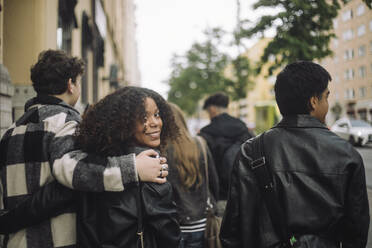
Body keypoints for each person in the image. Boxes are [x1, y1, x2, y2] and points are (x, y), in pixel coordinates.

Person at [0, 50, 168, 247]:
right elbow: (74, 170)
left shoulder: (11, 130)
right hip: (56, 240)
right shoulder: (65, 120)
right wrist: (133, 168)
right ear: (71, 84)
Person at [220, 61, 370, 248]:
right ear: (314, 102)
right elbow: (357, 231)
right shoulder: (347, 155)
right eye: (326, 97)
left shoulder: (251, 151)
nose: (327, 104)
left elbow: (233, 228)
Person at [75, 86, 180, 247]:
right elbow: (169, 235)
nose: (155, 123)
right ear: (123, 123)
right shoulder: (151, 166)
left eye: (157, 115)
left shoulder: (93, 165)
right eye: (144, 118)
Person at [166, 103, 219, 248]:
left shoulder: (159, 150)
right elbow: (214, 183)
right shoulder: (200, 144)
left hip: (173, 226)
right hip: (202, 223)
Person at [199, 92, 253, 216]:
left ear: (212, 109)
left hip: (220, 196)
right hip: (244, 193)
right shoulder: (243, 128)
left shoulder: (206, 133)